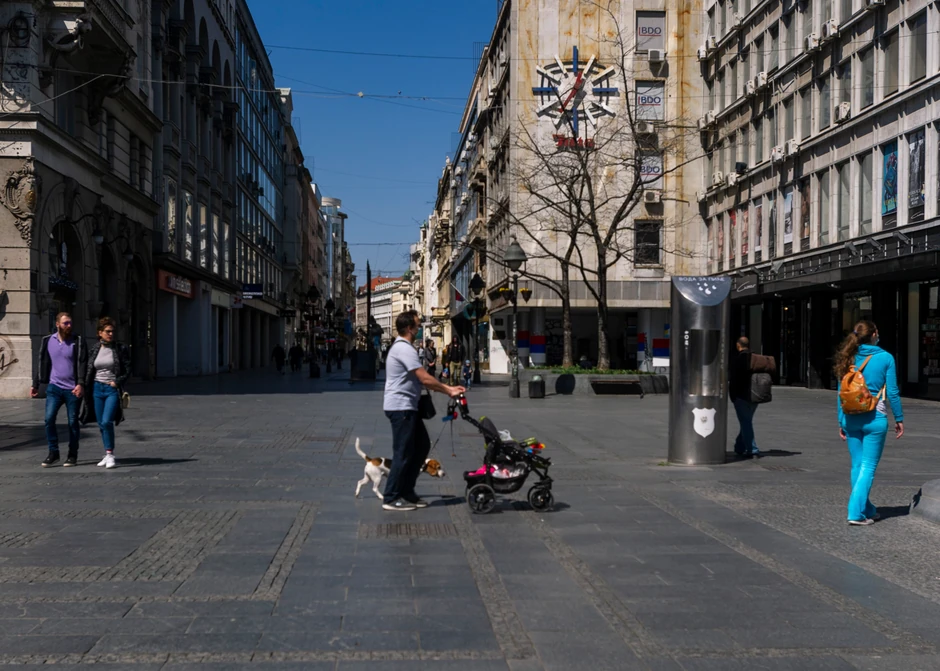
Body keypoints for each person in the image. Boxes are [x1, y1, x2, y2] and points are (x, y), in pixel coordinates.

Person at [382, 310, 465, 511]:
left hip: (408, 406)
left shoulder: (404, 347)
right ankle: (391, 497)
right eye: (417, 326)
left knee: (420, 447)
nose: (419, 329)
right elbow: (424, 378)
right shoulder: (404, 349)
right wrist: (449, 390)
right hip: (401, 407)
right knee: (402, 452)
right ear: (409, 328)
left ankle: (408, 492)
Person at [835, 320, 904, 526]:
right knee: (868, 466)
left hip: (850, 418)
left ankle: (867, 509)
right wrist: (899, 418)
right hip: (875, 417)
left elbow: (841, 391)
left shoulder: (849, 357)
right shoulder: (885, 358)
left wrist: (840, 420)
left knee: (857, 464)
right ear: (874, 334)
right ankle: (855, 513)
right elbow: (892, 391)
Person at [31, 312, 88, 468]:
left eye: (70, 323)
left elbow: (83, 363)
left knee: (72, 423)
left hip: (73, 390)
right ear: (57, 324)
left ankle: (72, 455)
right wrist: (35, 384)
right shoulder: (48, 341)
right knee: (49, 420)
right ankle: (53, 452)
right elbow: (42, 363)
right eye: (65, 323)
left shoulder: (78, 341)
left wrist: (81, 384)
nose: (69, 326)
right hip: (54, 388)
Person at [80, 317, 131, 469]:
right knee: (101, 423)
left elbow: (128, 369)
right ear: (100, 333)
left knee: (107, 421)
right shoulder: (95, 349)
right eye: (107, 331)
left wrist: (118, 381)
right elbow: (89, 368)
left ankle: (110, 454)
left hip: (111, 389)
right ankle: (107, 453)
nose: (111, 334)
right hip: (96, 388)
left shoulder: (120, 349)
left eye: (112, 331)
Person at [729, 337, 759, 457]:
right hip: (756, 395)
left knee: (746, 423)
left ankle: (753, 449)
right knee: (746, 422)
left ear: (738, 345)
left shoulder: (738, 359)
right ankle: (739, 446)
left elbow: (734, 380)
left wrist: (733, 396)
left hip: (741, 396)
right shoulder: (755, 358)